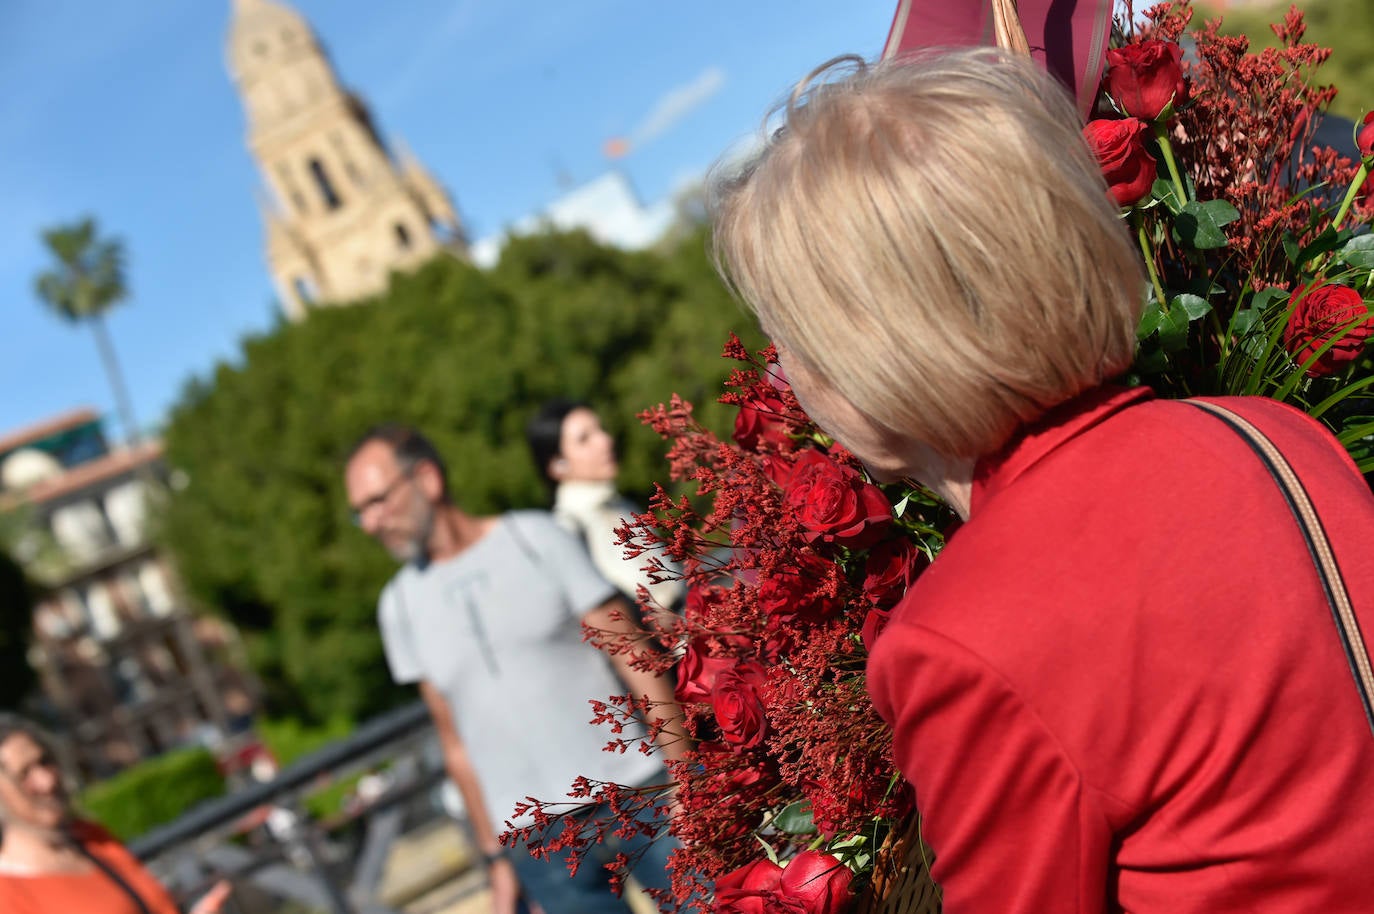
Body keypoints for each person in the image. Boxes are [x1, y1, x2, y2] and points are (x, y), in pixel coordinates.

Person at [710, 48, 1374, 913]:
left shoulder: (960, 636)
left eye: (789, 339)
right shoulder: (1272, 432)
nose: (783, 376)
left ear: (872, 354)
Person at [344, 424, 687, 914]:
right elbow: (454, 743)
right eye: (360, 512)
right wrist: (495, 861)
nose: (372, 522)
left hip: (641, 792)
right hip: (540, 843)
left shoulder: (535, 537)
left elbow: (630, 650)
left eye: (378, 501)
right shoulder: (397, 606)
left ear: (426, 479)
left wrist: (684, 770)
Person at [0, 714, 232, 914]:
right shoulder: (8, 897)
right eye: (23, 775)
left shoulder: (92, 837)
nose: (47, 781)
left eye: (45, 761)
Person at [525, 399, 684, 627]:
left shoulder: (619, 504)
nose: (605, 441)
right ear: (557, 465)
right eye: (584, 439)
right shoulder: (569, 530)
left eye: (601, 430)